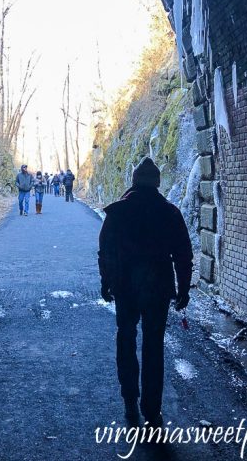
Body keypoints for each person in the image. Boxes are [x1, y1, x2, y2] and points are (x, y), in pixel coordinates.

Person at [98, 157, 193, 427]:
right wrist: (183, 288)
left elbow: (106, 251)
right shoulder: (170, 213)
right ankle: (152, 409)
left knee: (125, 338)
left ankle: (130, 400)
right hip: (158, 287)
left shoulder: (118, 212)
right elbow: (183, 254)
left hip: (126, 285)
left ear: (133, 181)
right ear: (158, 183)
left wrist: (106, 281)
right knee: (153, 345)